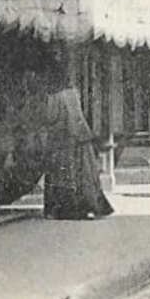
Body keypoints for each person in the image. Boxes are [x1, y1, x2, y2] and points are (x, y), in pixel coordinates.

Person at [41, 69, 114, 220]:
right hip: (80, 137)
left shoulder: (54, 97)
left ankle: (65, 209)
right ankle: (88, 206)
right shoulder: (73, 93)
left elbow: (50, 118)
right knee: (84, 174)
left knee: (62, 175)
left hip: (63, 140)